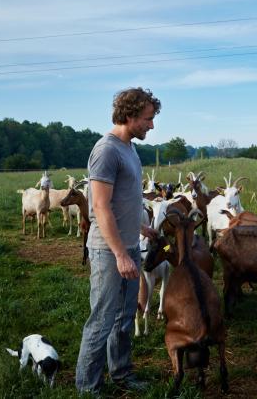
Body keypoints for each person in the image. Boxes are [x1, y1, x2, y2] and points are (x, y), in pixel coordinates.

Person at [75, 87, 161, 394]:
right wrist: (120, 254)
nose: (151, 125)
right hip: (108, 252)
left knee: (125, 317)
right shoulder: (106, 150)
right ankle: (88, 387)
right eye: (148, 119)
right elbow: (100, 206)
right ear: (129, 116)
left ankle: (121, 373)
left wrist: (141, 226)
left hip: (128, 246)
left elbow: (127, 198)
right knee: (102, 320)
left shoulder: (130, 149)